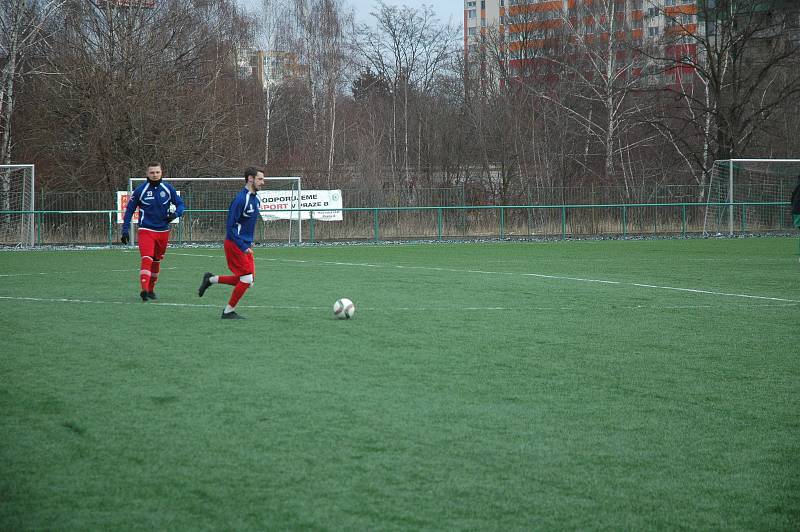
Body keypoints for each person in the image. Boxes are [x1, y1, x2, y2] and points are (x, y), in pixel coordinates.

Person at [197, 166, 265, 319]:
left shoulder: (255, 199)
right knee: (246, 279)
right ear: (250, 179)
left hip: (244, 244)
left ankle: (210, 279)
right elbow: (231, 226)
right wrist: (242, 246)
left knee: (248, 281)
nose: (263, 182)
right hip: (235, 244)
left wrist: (247, 244)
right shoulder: (241, 199)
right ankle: (228, 311)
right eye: (260, 179)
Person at [121, 162, 185, 301]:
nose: (154, 175)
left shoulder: (168, 189)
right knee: (147, 257)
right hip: (146, 230)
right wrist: (125, 229)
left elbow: (180, 204)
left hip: (163, 231)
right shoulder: (140, 190)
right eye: (152, 172)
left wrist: (176, 214)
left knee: (156, 260)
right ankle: (144, 289)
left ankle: (150, 290)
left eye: (157, 172)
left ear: (161, 173)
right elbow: (130, 209)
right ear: (147, 174)